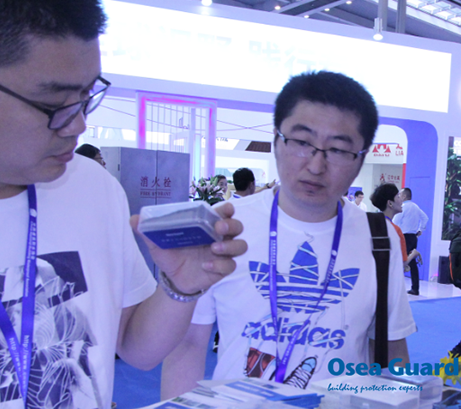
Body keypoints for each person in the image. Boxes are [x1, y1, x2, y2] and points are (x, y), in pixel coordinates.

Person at [0, 0, 247, 408]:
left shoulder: (93, 188)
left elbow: (135, 347)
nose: (78, 124)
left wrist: (179, 285)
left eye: (86, 94)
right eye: (51, 105)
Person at [161, 71, 416, 398]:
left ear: (361, 158)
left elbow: (392, 346)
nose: (316, 165)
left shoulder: (379, 237)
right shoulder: (223, 224)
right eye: (302, 142)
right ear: (276, 141)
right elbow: (189, 344)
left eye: (338, 149)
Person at [370, 183, 421, 270]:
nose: (401, 200)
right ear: (390, 203)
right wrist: (414, 254)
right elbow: (402, 263)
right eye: (398, 197)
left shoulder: (372, 224)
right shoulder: (396, 230)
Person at [393, 187, 429, 295]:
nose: (398, 197)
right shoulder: (415, 207)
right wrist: (420, 229)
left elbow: (395, 221)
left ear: (404, 196)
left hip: (403, 237)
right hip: (413, 237)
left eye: (399, 195)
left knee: (399, 261)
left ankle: (396, 288)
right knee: (412, 262)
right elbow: (425, 218)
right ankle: (415, 288)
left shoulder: (403, 207)